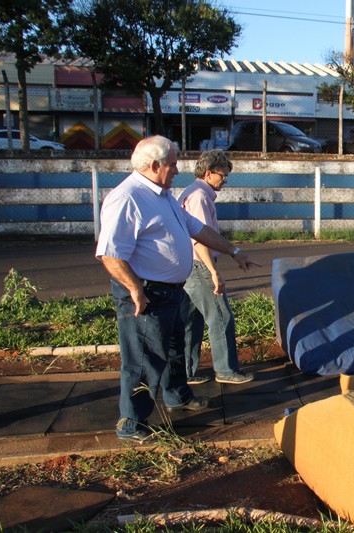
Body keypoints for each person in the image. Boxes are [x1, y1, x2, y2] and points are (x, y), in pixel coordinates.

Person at [96, 135, 259, 442]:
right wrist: (135, 289)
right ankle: (131, 423)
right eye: (172, 163)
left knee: (174, 350)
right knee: (143, 359)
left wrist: (234, 252)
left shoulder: (163, 195)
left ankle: (178, 397)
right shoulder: (128, 197)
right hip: (146, 293)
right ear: (154, 165)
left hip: (171, 290)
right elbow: (109, 253)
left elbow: (198, 230)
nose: (177, 169)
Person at [178, 150, 254, 385]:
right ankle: (226, 370)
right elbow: (200, 237)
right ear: (209, 173)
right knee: (221, 316)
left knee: (192, 320)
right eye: (223, 175)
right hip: (199, 264)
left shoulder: (193, 192)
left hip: (187, 264)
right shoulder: (200, 197)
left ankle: (188, 371)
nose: (225, 180)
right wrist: (213, 271)